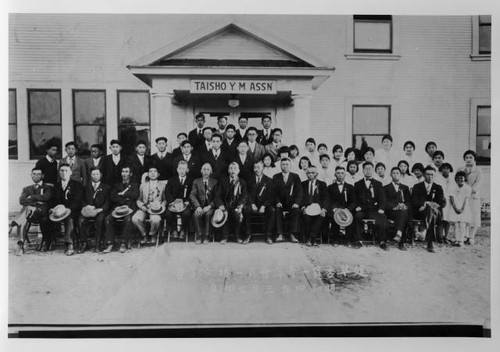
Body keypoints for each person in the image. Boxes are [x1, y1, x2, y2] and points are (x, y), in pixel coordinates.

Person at [11, 167, 53, 255]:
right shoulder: (26, 189)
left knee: (25, 211)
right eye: (33, 174)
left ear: (42, 176)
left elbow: (46, 197)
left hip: (42, 212)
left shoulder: (47, 187)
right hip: (30, 214)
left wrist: (31, 197)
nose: (35, 176)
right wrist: (37, 201)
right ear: (31, 175)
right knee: (25, 217)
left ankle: (14, 222)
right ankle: (21, 245)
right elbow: (22, 200)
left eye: (38, 174)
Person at [104, 165, 140, 253]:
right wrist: (125, 199)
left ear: (130, 174)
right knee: (108, 219)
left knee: (128, 219)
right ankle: (110, 243)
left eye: (126, 172)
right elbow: (112, 197)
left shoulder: (135, 185)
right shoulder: (116, 185)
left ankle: (124, 243)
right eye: (123, 172)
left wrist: (121, 195)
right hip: (117, 209)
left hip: (129, 208)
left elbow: (135, 195)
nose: (124, 174)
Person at [50, 163, 84, 255]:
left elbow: (78, 201)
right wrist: (54, 208)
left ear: (70, 172)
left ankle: (69, 244)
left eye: (66, 171)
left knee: (69, 219)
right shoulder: (56, 185)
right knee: (47, 218)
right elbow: (53, 200)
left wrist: (68, 210)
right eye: (61, 171)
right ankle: (48, 241)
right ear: (59, 172)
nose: (64, 173)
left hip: (72, 211)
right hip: (59, 211)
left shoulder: (77, 185)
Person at [411, 166, 446, 253]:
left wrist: (434, 204)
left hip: (435, 212)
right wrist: (425, 203)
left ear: (435, 176)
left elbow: (443, 202)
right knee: (429, 210)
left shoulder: (438, 187)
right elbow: (414, 201)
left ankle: (424, 232)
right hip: (421, 211)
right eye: (427, 174)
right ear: (423, 175)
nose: (430, 177)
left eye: (432, 175)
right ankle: (430, 242)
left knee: (431, 210)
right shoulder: (417, 186)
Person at [353, 162, 388, 250]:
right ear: (363, 171)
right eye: (366, 169)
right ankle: (359, 240)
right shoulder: (357, 184)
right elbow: (355, 199)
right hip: (362, 209)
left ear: (373, 170)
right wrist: (357, 206)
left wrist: (381, 208)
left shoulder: (378, 184)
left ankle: (382, 241)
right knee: (357, 216)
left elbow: (382, 199)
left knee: (382, 217)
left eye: (370, 169)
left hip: (374, 210)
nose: (368, 171)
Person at [78, 167, 110, 253]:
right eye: (93, 174)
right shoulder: (85, 187)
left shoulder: (106, 187)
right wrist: (86, 206)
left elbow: (108, 202)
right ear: (90, 175)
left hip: (100, 211)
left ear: (101, 175)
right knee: (81, 220)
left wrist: (101, 209)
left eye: (97, 174)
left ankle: (98, 244)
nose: (95, 176)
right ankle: (84, 243)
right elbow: (82, 200)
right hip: (88, 210)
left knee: (100, 220)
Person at [215, 162, 248, 244]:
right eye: (231, 168)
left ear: (238, 171)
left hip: (237, 205)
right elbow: (217, 195)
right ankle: (225, 237)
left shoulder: (242, 182)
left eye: (235, 169)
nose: (233, 171)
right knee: (224, 214)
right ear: (228, 170)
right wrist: (221, 205)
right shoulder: (223, 181)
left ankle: (238, 236)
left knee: (239, 216)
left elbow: (244, 196)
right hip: (226, 205)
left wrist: (240, 205)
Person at [132, 165, 167, 244]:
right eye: (150, 171)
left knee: (156, 220)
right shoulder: (143, 185)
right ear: (148, 174)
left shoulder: (163, 186)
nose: (153, 173)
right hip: (145, 207)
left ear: (158, 174)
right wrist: (142, 206)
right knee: (135, 218)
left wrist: (161, 206)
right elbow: (139, 200)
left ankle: (152, 234)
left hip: (156, 209)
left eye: (155, 171)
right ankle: (144, 234)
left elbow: (165, 200)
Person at [244, 161, 275, 244]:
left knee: (271, 210)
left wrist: (264, 205)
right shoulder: (249, 180)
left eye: (258, 168)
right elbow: (247, 193)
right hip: (253, 204)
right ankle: (248, 235)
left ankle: (268, 235)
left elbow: (271, 196)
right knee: (246, 210)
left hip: (265, 204)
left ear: (263, 168)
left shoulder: (269, 180)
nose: (256, 170)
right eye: (255, 168)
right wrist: (252, 204)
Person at [273, 158, 303, 243]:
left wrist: (296, 203)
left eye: (287, 164)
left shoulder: (295, 176)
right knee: (277, 209)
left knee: (296, 210)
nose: (285, 166)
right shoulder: (276, 177)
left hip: (292, 203)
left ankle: (292, 234)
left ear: (290, 166)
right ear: (280, 166)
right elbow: (274, 192)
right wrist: (277, 202)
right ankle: (280, 234)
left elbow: (299, 192)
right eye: (283, 164)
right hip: (280, 203)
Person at [457, 150, 483, 245]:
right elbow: (458, 181)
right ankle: (465, 235)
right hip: (463, 196)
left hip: (473, 196)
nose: (468, 159)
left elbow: (479, 182)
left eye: (470, 158)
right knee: (464, 216)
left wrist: (472, 190)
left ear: (474, 159)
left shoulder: (478, 170)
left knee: (474, 217)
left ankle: (471, 237)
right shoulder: (461, 169)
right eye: (466, 158)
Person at [164, 161, 193, 240]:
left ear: (187, 170)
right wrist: (171, 201)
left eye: (184, 169)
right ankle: (174, 230)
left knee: (186, 214)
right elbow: (167, 192)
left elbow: (192, 193)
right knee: (168, 213)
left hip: (184, 204)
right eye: (180, 168)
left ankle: (183, 229)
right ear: (177, 170)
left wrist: (188, 201)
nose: (181, 171)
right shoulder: (172, 180)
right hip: (173, 203)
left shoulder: (191, 181)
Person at [190, 163, 218, 244]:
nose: (206, 171)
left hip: (210, 206)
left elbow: (217, 197)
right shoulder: (196, 181)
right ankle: (199, 236)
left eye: (208, 170)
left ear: (211, 172)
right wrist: (198, 206)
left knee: (208, 214)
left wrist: (209, 206)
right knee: (196, 215)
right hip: (200, 206)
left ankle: (207, 236)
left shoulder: (215, 182)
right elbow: (192, 195)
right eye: (204, 169)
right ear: (201, 171)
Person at [327, 166, 356, 246]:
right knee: (333, 216)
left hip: (347, 209)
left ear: (345, 175)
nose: (340, 175)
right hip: (335, 209)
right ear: (335, 175)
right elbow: (329, 200)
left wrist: (348, 209)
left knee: (352, 216)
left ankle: (348, 240)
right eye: (338, 173)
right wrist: (334, 209)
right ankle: (335, 239)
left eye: (342, 173)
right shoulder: (330, 187)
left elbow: (354, 201)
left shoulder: (350, 187)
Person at [384, 167, 411, 250]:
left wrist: (404, 205)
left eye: (397, 173)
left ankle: (398, 234)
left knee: (404, 213)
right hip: (392, 211)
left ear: (400, 175)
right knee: (403, 214)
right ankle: (400, 241)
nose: (395, 175)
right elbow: (385, 201)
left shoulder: (405, 187)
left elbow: (409, 201)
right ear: (390, 175)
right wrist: (395, 206)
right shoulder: (386, 188)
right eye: (394, 173)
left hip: (403, 210)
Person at [301, 166, 328, 246]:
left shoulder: (322, 184)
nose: (311, 175)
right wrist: (302, 207)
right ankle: (313, 239)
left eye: (313, 173)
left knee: (321, 217)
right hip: (307, 207)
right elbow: (300, 197)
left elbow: (326, 198)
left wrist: (324, 209)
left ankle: (310, 238)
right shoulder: (303, 184)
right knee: (306, 217)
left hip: (319, 208)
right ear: (306, 174)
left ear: (317, 174)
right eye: (308, 173)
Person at [449, 171, 472, 247]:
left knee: (462, 224)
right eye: (458, 178)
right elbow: (451, 198)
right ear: (456, 179)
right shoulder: (453, 187)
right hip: (455, 206)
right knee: (456, 224)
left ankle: (461, 240)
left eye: (461, 178)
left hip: (464, 207)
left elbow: (466, 199)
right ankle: (456, 239)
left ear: (465, 178)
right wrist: (455, 208)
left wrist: (462, 209)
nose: (460, 179)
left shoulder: (468, 188)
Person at [437, 163, 454, 242]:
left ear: (450, 170)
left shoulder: (452, 179)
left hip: (450, 200)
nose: (446, 170)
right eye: (444, 168)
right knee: (441, 219)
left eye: (447, 168)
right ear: (441, 170)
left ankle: (446, 236)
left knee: (448, 219)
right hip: (441, 200)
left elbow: (453, 191)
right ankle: (440, 236)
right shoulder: (438, 179)